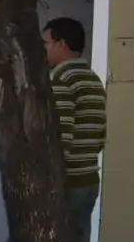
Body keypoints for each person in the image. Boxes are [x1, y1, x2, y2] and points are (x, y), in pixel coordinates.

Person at [43, 17, 106, 222]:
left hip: (68, 182)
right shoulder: (93, 79)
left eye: (46, 43)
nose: (44, 49)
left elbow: (60, 135)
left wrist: (52, 180)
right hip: (89, 180)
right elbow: (100, 136)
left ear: (61, 44)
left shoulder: (62, 78)